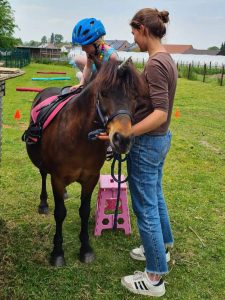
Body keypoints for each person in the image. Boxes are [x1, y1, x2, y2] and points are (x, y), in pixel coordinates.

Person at [118, 8, 178, 297]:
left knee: (145, 208)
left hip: (148, 142)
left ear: (142, 29)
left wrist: (128, 132)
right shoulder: (165, 58)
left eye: (133, 32)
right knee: (155, 196)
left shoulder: (155, 64)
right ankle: (161, 249)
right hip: (160, 140)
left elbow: (159, 113)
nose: (133, 38)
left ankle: (154, 278)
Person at [71, 18, 118, 90]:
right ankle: (85, 80)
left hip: (108, 83)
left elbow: (114, 79)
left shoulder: (112, 56)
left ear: (97, 43)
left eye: (85, 46)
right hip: (97, 76)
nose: (83, 49)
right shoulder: (90, 52)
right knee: (77, 60)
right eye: (82, 46)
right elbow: (88, 67)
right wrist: (81, 84)